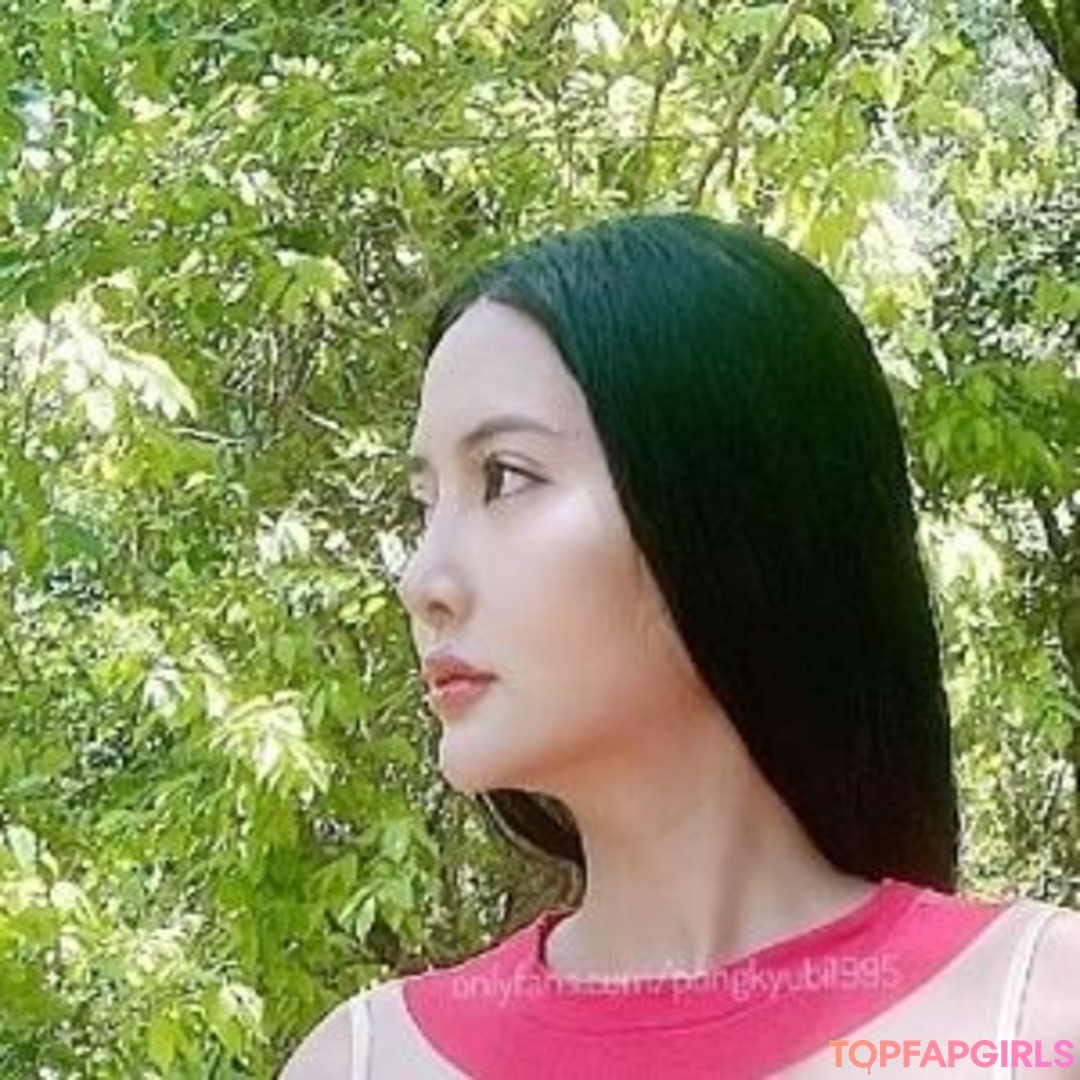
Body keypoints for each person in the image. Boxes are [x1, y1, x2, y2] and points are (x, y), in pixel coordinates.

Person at [280, 213, 1080, 1078]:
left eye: (505, 478)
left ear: (730, 517)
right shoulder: (367, 1061)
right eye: (425, 504)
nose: (421, 580)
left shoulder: (1036, 1017)